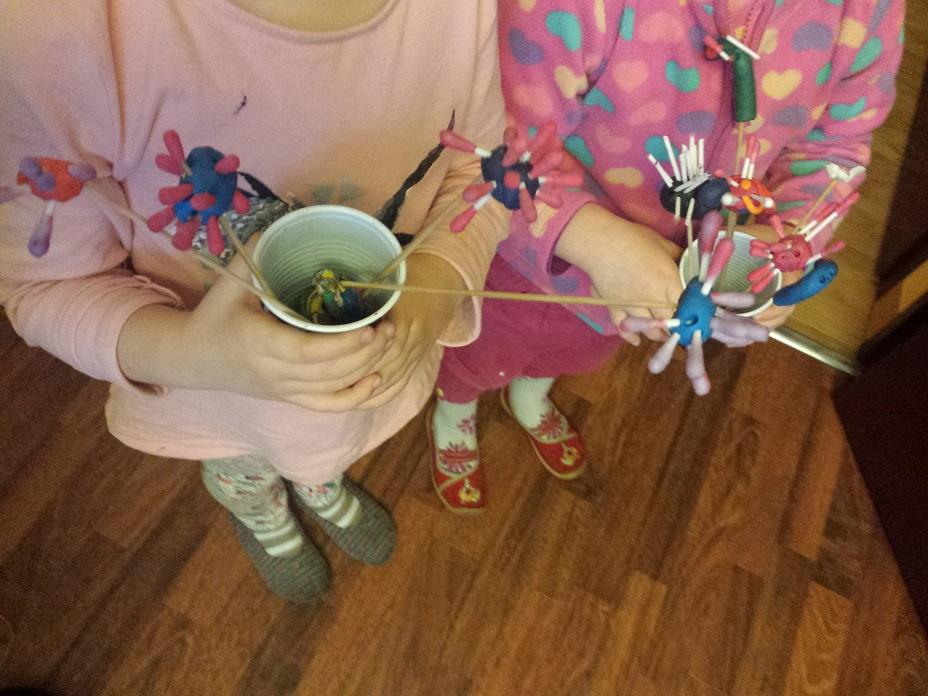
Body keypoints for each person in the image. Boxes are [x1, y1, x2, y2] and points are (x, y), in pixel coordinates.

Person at [0, 0, 511, 601]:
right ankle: (257, 505)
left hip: (368, 374)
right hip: (218, 400)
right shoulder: (53, 36)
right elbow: (43, 285)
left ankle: (317, 480)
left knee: (320, 448)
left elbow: (481, 171)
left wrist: (433, 288)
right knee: (246, 462)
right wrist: (195, 354)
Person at [427, 0, 905, 512]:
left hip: (644, 297)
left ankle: (529, 395)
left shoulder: (868, 10)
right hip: (528, 265)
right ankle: (453, 412)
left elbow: (836, 149)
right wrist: (591, 239)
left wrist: (789, 240)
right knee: (479, 359)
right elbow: (495, 144)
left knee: (575, 355)